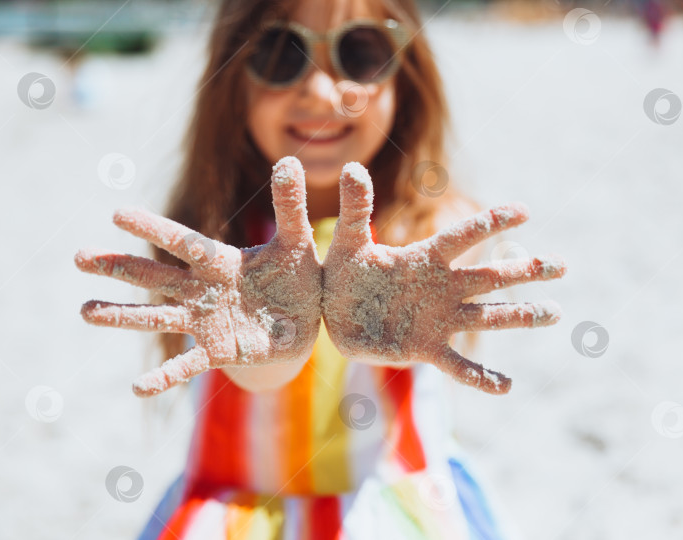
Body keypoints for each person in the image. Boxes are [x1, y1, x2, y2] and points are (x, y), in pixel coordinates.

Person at [74, 0, 567, 537]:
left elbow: (454, 241)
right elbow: (258, 373)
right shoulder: (212, 242)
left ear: (408, 69)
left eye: (361, 53)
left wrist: (387, 307)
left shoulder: (426, 225)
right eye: (281, 55)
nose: (321, 91)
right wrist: (274, 339)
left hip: (394, 514)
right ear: (230, 77)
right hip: (234, 515)